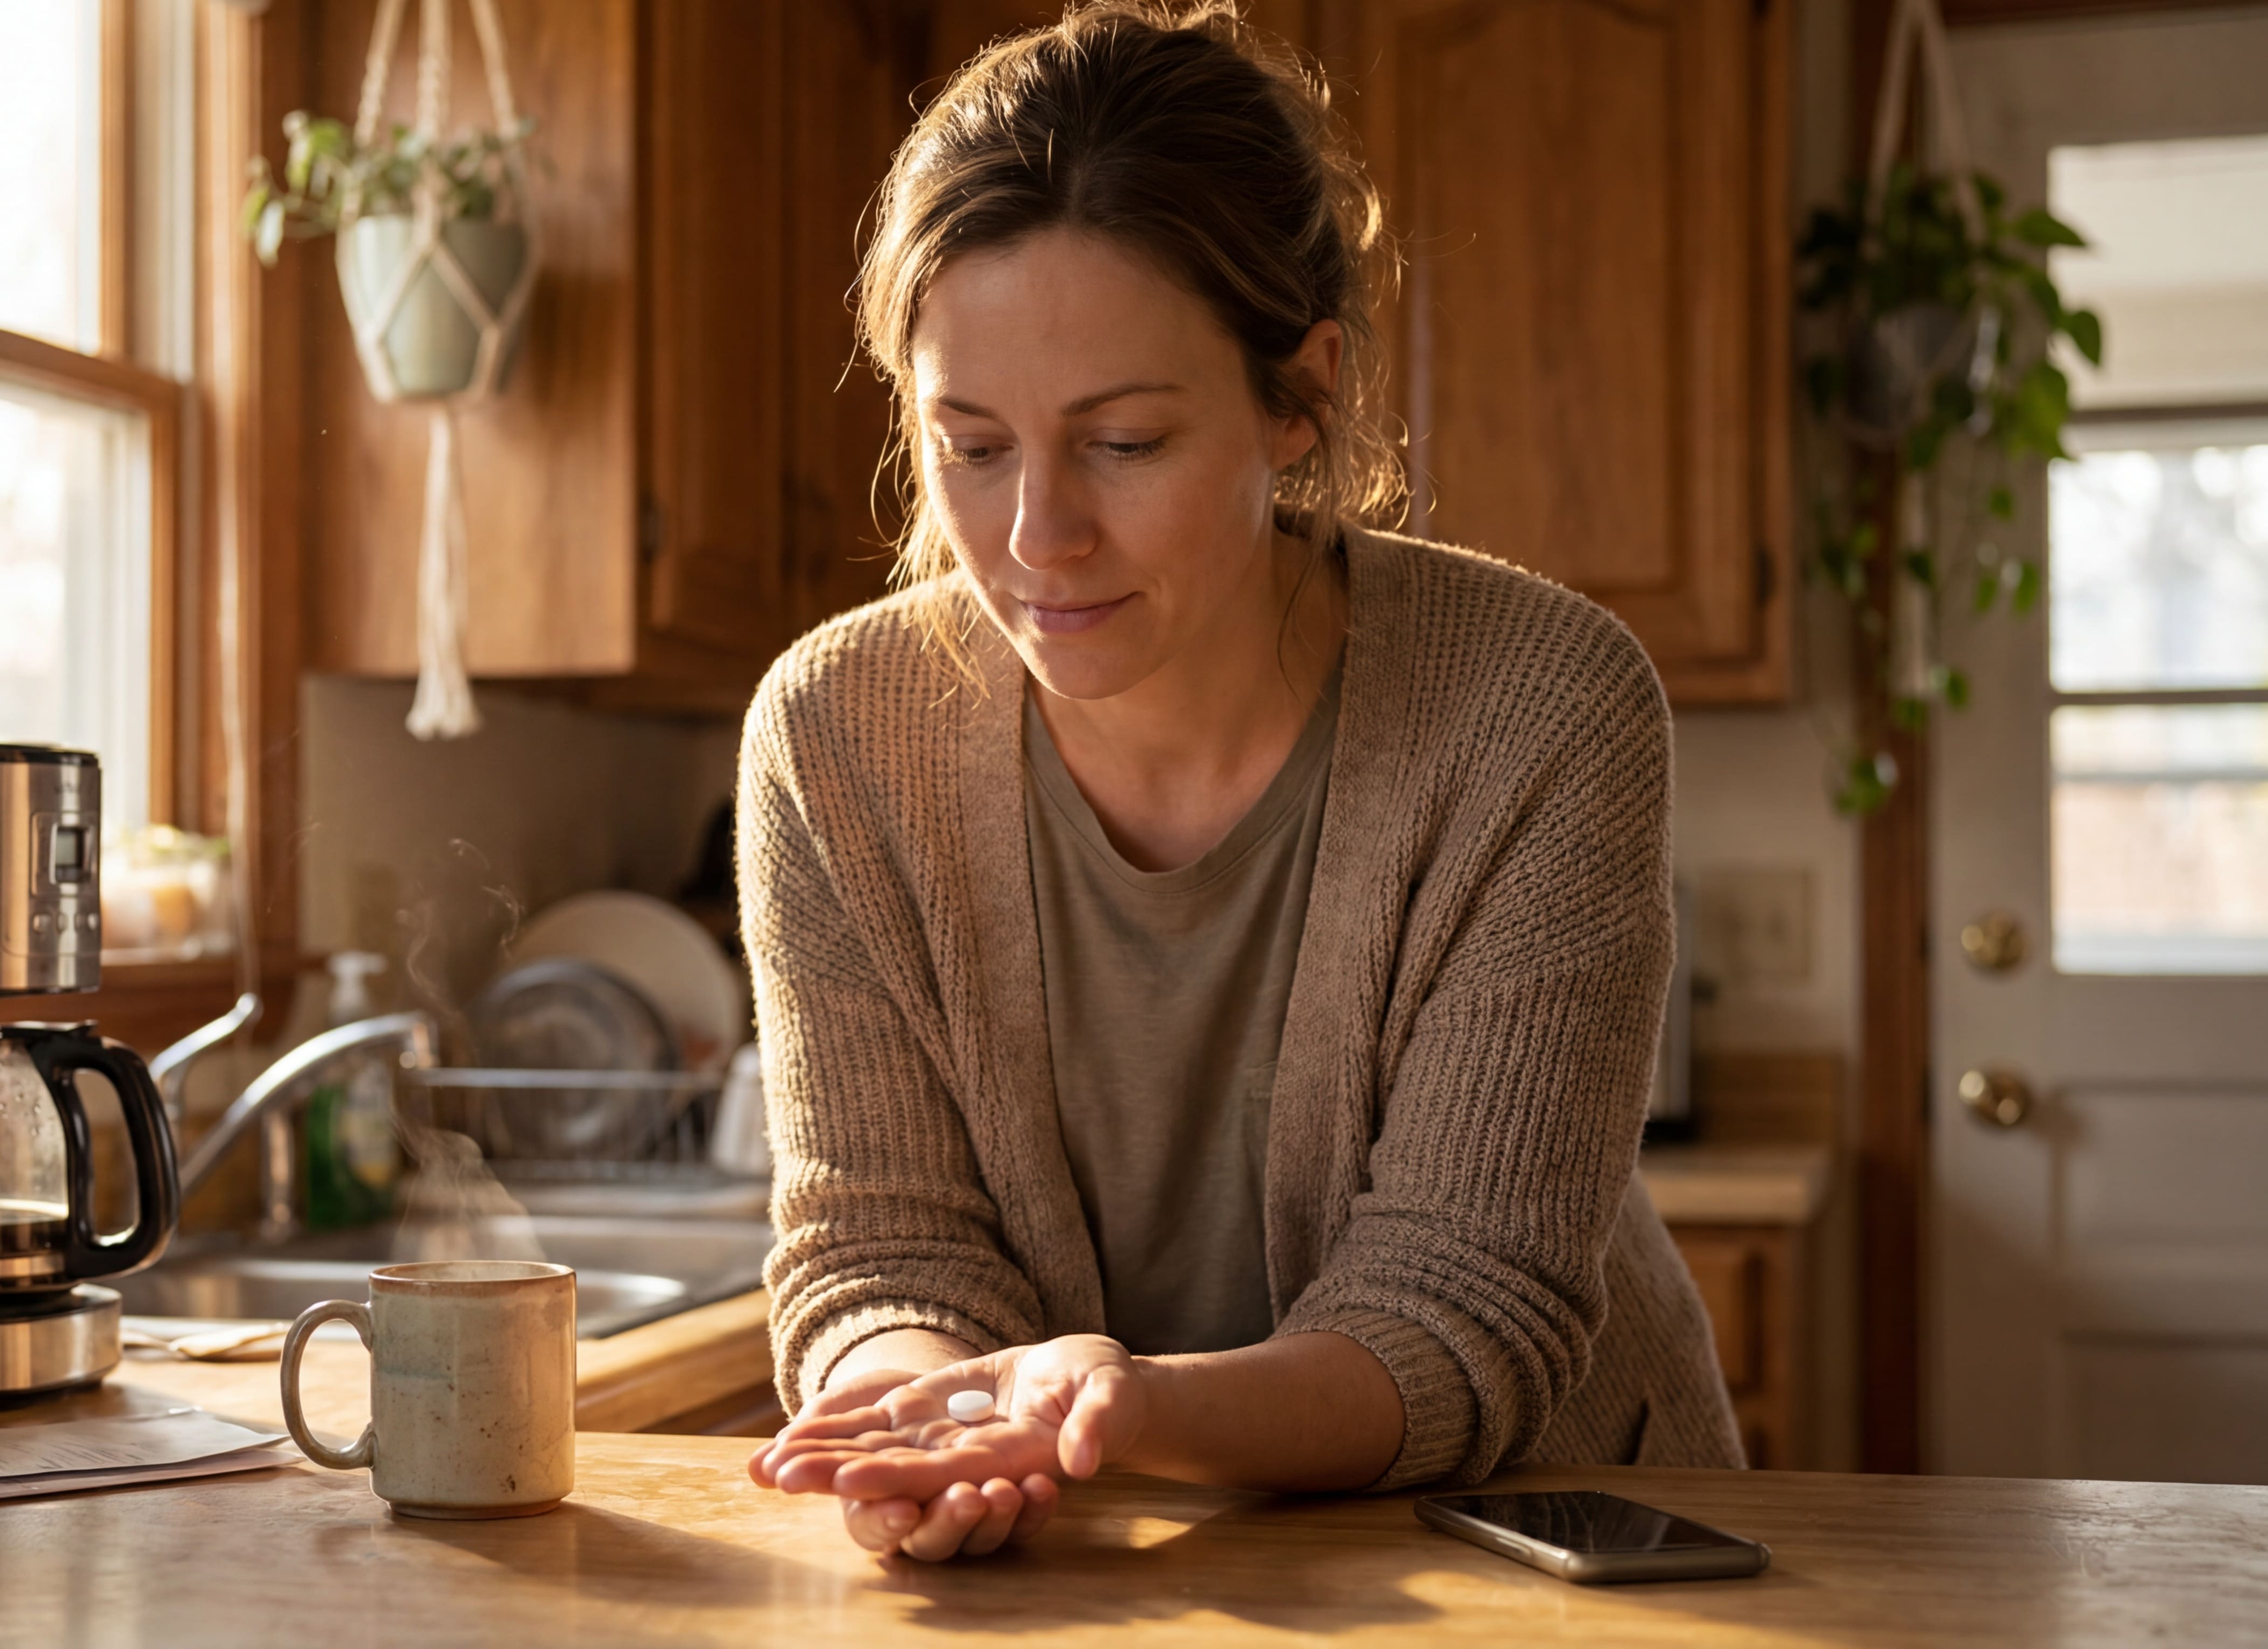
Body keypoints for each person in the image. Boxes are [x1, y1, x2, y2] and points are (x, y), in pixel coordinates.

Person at [734, 1, 1744, 1564]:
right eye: (973, 446)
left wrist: (1122, 1411)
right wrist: (926, 1420)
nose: (1037, 537)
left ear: (1300, 396)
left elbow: (1461, 1307)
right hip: (1095, 1559)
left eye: (1125, 442)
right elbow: (883, 1247)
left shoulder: (1540, 706)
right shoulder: (833, 740)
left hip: (1547, 1551)